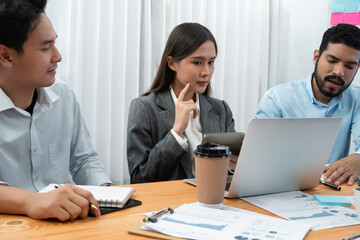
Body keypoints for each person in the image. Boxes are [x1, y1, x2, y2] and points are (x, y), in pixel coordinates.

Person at [0, 0, 112, 221]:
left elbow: (84, 160)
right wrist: (32, 201)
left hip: (66, 225)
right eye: (45, 47)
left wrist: (108, 191)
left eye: (54, 44)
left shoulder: (64, 96)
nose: (57, 56)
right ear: (6, 56)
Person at [127, 23, 236, 183]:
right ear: (172, 63)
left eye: (211, 62)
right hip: (171, 205)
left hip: (214, 203)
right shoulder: (144, 108)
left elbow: (230, 175)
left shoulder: (221, 110)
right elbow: (140, 180)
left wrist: (236, 166)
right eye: (197, 62)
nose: (206, 72)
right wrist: (176, 132)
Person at [256, 23, 360, 186]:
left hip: (331, 190)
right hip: (280, 187)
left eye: (349, 66)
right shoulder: (276, 98)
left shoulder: (357, 98)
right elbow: (257, 154)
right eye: (332, 60)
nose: (338, 72)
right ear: (316, 57)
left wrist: (358, 158)